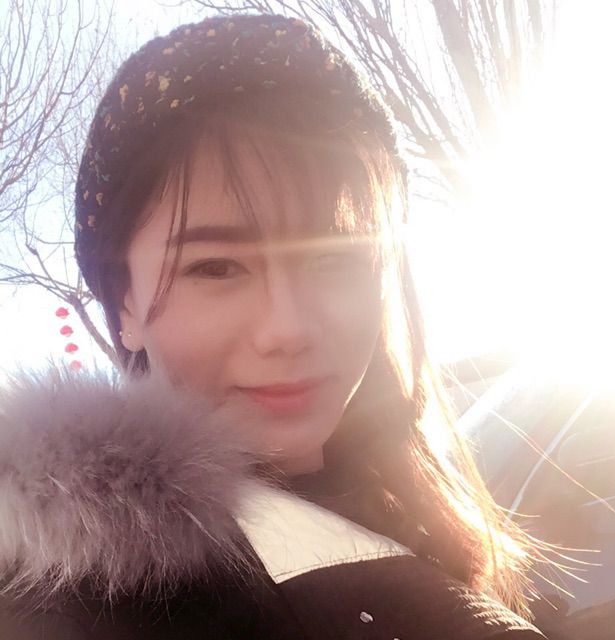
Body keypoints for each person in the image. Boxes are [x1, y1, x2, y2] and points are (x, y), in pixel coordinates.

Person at [0, 14, 545, 639]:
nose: (288, 328)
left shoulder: (418, 515)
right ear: (124, 305)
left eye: (335, 260)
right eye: (216, 267)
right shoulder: (69, 611)